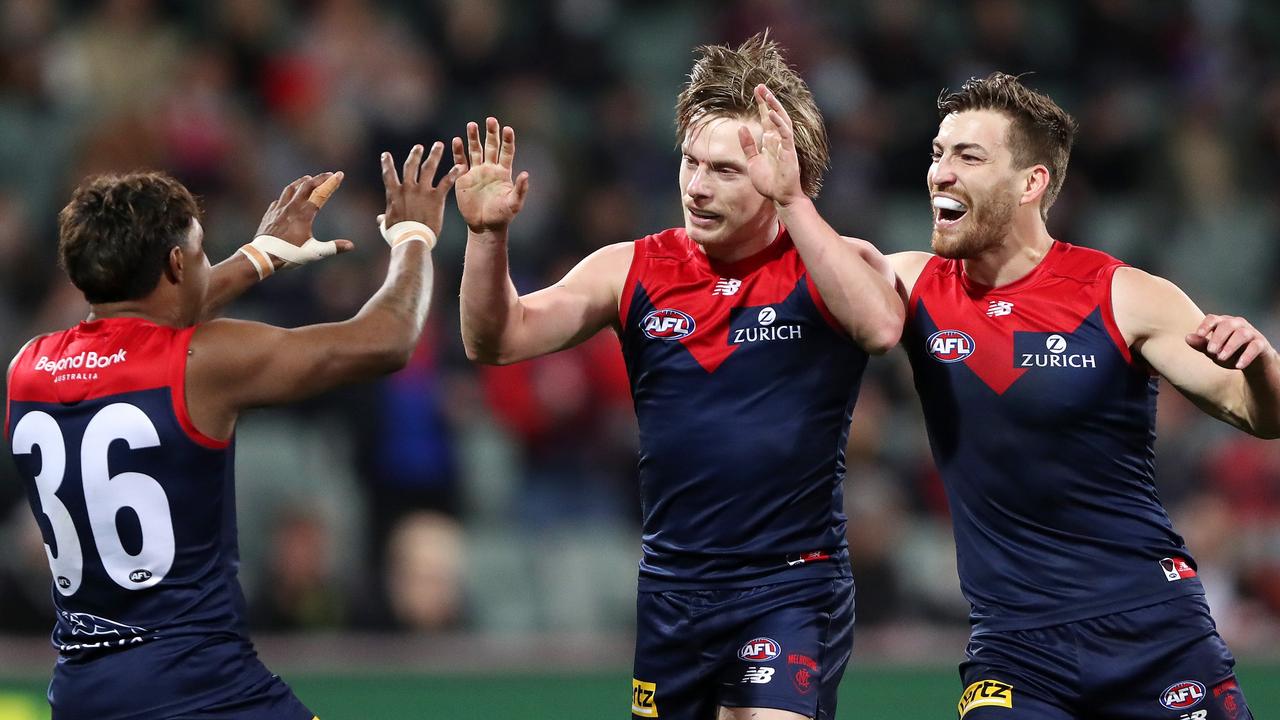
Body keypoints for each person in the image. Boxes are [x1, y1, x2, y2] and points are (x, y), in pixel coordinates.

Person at [455, 33, 903, 720]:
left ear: (786, 171)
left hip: (790, 586)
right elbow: (496, 339)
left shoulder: (831, 265)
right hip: (673, 590)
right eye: (690, 163)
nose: (695, 187)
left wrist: (795, 205)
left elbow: (878, 327)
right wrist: (487, 239)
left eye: (724, 170)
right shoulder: (631, 268)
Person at [4, 141, 461, 719]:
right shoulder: (205, 363)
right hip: (204, 690)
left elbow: (142, 324)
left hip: (81, 694)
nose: (206, 263)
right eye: (200, 252)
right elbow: (386, 340)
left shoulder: (30, 367)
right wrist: (414, 238)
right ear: (174, 264)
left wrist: (260, 256)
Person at [884, 72, 1267, 719]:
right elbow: (788, 280)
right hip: (1014, 649)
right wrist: (784, 193)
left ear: (1031, 183)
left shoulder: (1123, 294)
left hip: (1153, 630)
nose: (941, 173)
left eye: (968, 156)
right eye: (937, 153)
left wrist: (1259, 361)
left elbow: (1258, 413)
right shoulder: (911, 284)